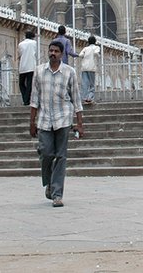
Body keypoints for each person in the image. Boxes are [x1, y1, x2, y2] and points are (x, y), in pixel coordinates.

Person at [29, 41, 83, 207]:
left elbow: (76, 99)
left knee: (61, 156)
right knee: (46, 153)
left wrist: (80, 123)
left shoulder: (69, 72)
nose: (53, 53)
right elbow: (34, 98)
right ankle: (49, 183)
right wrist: (32, 121)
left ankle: (57, 194)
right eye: (51, 50)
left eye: (56, 51)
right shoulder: (39, 71)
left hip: (63, 119)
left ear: (62, 54)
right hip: (44, 119)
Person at [77, 36, 101, 105]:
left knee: (85, 83)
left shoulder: (85, 48)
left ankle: (84, 98)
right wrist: (98, 56)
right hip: (92, 67)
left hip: (84, 67)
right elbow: (96, 53)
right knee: (91, 84)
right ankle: (90, 98)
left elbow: (80, 55)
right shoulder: (96, 47)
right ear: (95, 41)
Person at [17, 30, 37, 105]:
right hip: (31, 66)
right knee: (29, 84)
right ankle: (26, 99)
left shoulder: (20, 44)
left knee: (21, 84)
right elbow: (35, 52)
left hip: (23, 66)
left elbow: (19, 54)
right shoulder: (34, 43)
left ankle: (25, 99)